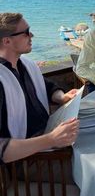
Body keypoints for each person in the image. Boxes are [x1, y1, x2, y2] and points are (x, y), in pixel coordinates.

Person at [0, 12, 79, 165]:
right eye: (26, 33)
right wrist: (51, 139)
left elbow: (47, 86)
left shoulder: (25, 66)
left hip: (50, 143)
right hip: (30, 160)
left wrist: (61, 97)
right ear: (7, 41)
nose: (32, 35)